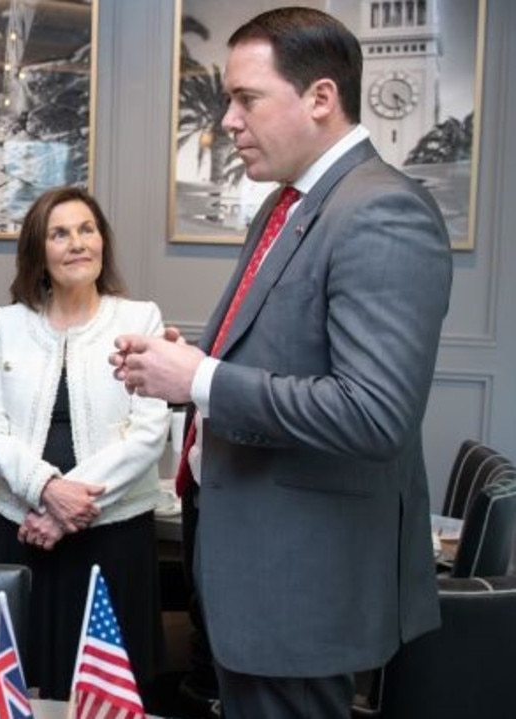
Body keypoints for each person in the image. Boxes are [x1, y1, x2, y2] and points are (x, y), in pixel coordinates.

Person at [110, 8, 451, 719]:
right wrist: (188, 364)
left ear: (320, 98)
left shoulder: (381, 211)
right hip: (254, 564)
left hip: (302, 581)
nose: (226, 120)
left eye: (245, 98)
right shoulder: (286, 206)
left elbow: (373, 414)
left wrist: (199, 379)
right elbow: (274, 352)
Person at [0, 186, 169, 701]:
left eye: (87, 229)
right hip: (22, 532)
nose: (77, 243)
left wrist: (65, 505)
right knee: (12, 688)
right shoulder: (7, 324)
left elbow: (148, 434)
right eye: (60, 233)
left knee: (106, 694)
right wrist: (45, 489)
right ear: (39, 250)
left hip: (112, 537)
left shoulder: (139, 319)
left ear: (102, 242)